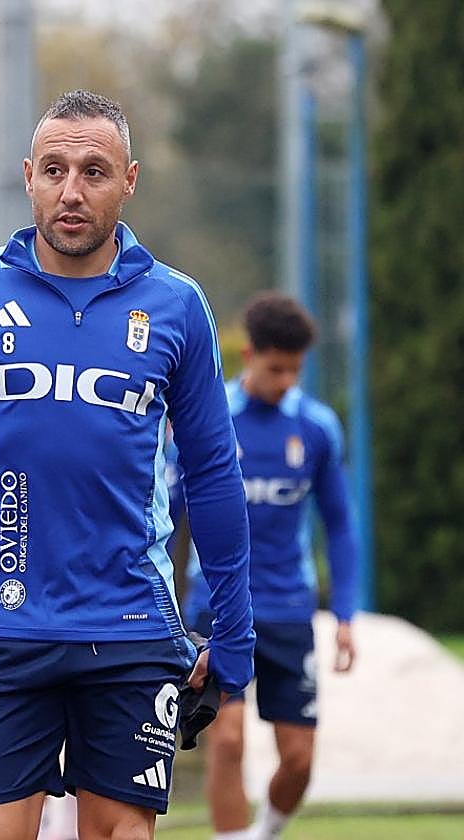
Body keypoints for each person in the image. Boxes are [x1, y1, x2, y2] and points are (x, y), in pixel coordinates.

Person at [0, 89, 256, 840]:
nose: (71, 191)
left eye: (93, 170)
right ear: (26, 177)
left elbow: (212, 475)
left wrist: (234, 628)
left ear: (130, 179)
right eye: (54, 169)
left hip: (133, 628)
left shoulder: (177, 305)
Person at [182, 292, 358, 840]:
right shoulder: (206, 422)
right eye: (275, 367)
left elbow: (341, 524)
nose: (285, 380)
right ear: (249, 354)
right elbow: (161, 517)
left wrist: (346, 614)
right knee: (227, 741)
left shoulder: (316, 428)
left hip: (287, 610)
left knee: (300, 761)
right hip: (215, 606)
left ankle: (267, 833)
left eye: (295, 370)